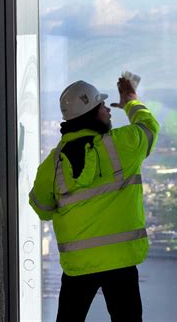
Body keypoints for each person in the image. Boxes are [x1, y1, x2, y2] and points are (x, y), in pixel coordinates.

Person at [28, 77, 159, 321]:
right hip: (120, 261)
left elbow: (42, 209)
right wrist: (130, 101)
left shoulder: (52, 164)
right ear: (92, 114)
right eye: (103, 107)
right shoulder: (123, 144)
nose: (108, 110)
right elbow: (149, 127)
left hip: (78, 264)